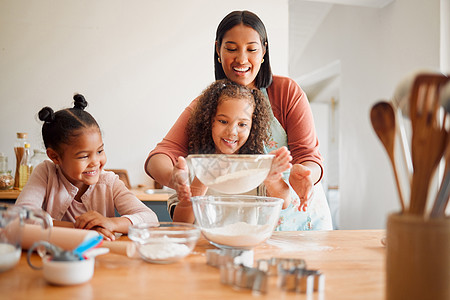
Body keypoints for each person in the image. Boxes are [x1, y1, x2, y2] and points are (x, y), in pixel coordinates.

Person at [145, 10, 332, 230]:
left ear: (264, 51)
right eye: (232, 49)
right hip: (252, 232)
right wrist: (177, 181)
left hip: (301, 222)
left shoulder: (286, 92)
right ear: (218, 50)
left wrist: (306, 173)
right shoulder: (205, 104)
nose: (242, 59)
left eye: (251, 49)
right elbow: (160, 157)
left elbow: (308, 156)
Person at [16, 94, 158, 240]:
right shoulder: (46, 173)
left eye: (100, 151)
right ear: (55, 157)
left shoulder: (109, 182)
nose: (95, 162)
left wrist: (110, 223)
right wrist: (83, 229)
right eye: (84, 156)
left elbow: (150, 219)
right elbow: (21, 217)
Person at [170, 79, 293, 225]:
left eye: (242, 124)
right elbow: (180, 222)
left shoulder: (255, 165)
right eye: (223, 121)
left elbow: (284, 202)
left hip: (245, 244)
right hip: (204, 246)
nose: (232, 132)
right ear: (210, 121)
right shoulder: (191, 165)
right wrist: (198, 186)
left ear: (253, 127)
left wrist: (272, 179)